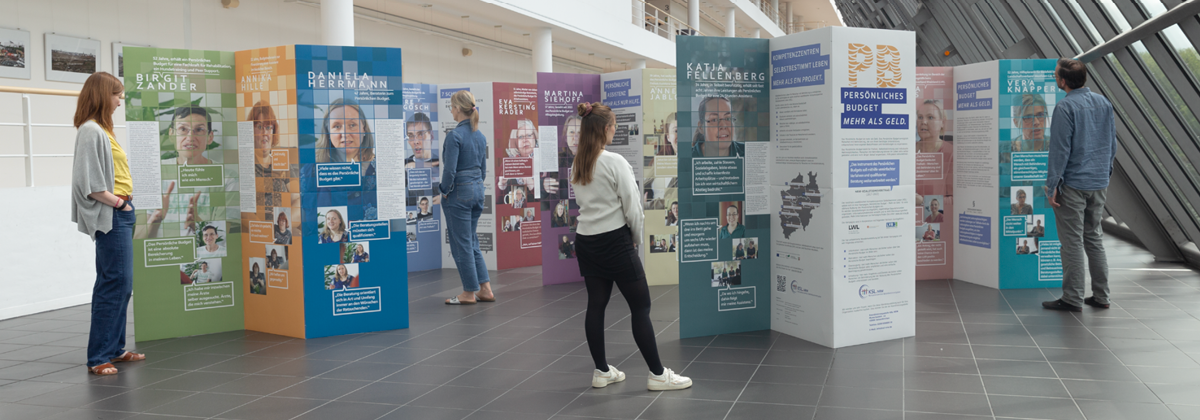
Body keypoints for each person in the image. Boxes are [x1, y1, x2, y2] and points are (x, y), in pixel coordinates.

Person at [570, 101, 692, 391]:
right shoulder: (614, 162)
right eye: (613, 126)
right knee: (641, 306)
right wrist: (635, 238)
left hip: (586, 241)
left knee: (596, 305)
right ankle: (658, 375)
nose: (615, 130)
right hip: (615, 241)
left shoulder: (578, 162)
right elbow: (633, 209)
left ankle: (601, 371)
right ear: (605, 129)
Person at [71, 72, 144, 376]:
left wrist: (125, 204)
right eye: (116, 95)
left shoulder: (102, 129)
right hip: (112, 212)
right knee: (114, 283)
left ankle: (114, 349)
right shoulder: (91, 130)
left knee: (120, 284)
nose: (119, 101)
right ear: (103, 95)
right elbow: (89, 184)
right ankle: (99, 356)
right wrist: (119, 203)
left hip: (120, 211)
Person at [1042, 58, 1117, 312]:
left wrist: (1052, 185)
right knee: (1094, 238)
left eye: (1056, 75)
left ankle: (1072, 298)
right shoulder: (1103, 102)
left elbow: (1060, 151)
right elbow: (1112, 144)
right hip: (1098, 182)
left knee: (1072, 242)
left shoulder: (1065, 107)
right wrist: (1105, 173)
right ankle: (1102, 296)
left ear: (1063, 81)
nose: (1055, 78)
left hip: (1073, 185)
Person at [441, 90, 494, 305]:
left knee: (461, 244)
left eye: (452, 107)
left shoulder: (454, 136)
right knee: (471, 241)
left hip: (459, 194)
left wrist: (444, 190)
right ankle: (485, 289)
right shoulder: (480, 135)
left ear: (458, 109)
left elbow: (449, 171)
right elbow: (483, 170)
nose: (451, 111)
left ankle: (468, 293)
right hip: (478, 190)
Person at [316, 99, 375, 164]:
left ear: (364, 129)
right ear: (327, 132)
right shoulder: (312, 168)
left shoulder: (380, 165)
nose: (345, 134)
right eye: (337, 126)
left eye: (352, 125)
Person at [249, 101, 279, 177]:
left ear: (273, 131)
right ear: (251, 130)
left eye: (268, 127)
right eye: (260, 127)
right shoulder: (247, 163)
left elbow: (295, 183)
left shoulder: (281, 159)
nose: (264, 133)